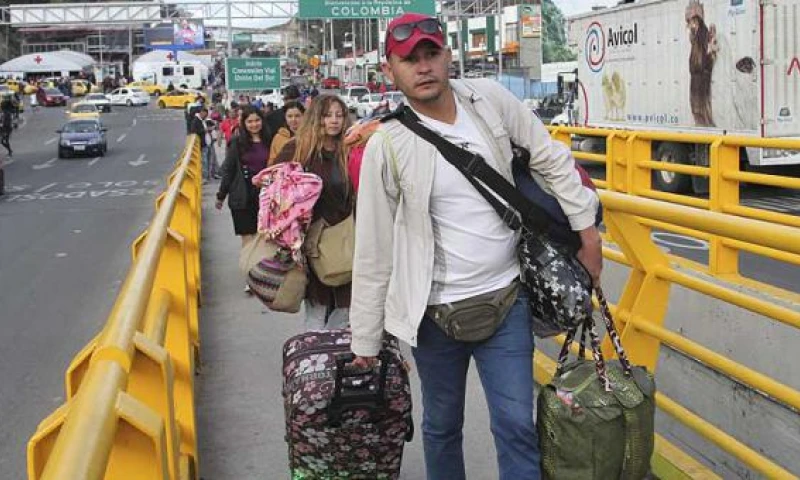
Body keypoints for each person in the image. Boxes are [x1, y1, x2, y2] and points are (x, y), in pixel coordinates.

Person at [348, 13, 602, 480]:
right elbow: (374, 249)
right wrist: (365, 337)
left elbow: (549, 157)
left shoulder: (489, 99)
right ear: (389, 70)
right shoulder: (388, 145)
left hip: (507, 299)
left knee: (515, 426)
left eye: (431, 55)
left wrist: (588, 232)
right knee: (442, 427)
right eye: (409, 60)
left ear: (447, 57)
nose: (422, 67)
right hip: (434, 317)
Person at [272, 94, 353, 330]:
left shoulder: (349, 149)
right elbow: (271, 185)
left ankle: (335, 356)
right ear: (317, 118)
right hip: (312, 242)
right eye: (328, 115)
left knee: (345, 307)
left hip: (346, 238)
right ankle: (316, 361)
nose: (334, 121)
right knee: (317, 309)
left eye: (339, 115)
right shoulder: (298, 149)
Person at [215, 105, 272, 263]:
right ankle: (249, 272)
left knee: (265, 238)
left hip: (267, 197)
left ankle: (263, 273)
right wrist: (221, 196)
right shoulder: (237, 143)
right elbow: (229, 170)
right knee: (248, 239)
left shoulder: (270, 141)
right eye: (250, 121)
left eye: (257, 120)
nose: (254, 124)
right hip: (243, 196)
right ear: (244, 123)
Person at [268, 100, 305, 164]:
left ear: (303, 116)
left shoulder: (311, 136)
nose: (293, 119)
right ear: (285, 117)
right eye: (290, 116)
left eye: (297, 116)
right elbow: (272, 161)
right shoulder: (278, 137)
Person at [188, 107, 211, 180]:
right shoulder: (196, 121)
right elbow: (194, 132)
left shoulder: (202, 120)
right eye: (205, 115)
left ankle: (207, 176)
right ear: (202, 113)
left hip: (206, 143)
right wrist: (204, 130)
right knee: (204, 161)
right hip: (201, 144)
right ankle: (204, 177)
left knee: (207, 160)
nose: (206, 116)